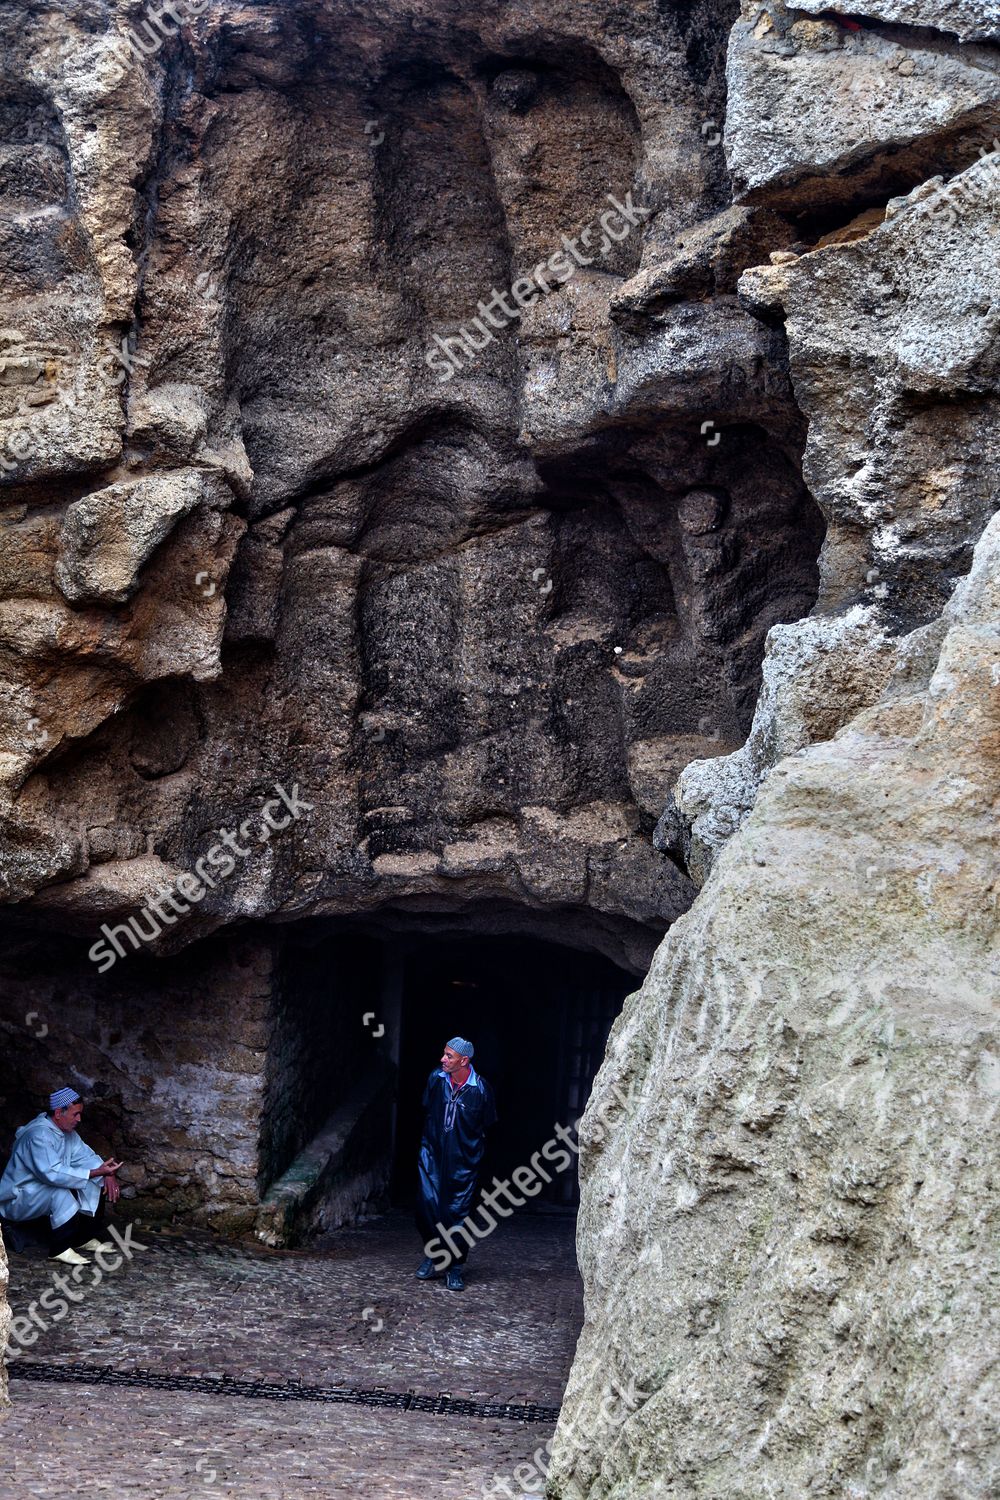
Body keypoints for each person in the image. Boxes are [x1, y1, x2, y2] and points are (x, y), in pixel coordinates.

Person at [0, 1088, 124, 1265]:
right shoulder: (37, 1135)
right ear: (58, 1113)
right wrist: (96, 1172)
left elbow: (86, 1157)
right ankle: (60, 1249)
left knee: (96, 1181)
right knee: (60, 1193)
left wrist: (107, 1174)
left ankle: (83, 1238)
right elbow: (52, 1173)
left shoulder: (68, 1134)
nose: (79, 1119)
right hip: (18, 1197)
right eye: (76, 1114)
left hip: (37, 1192)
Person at [415, 1036, 496, 1292]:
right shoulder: (436, 1080)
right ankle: (434, 1254)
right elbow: (428, 1110)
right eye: (444, 1054)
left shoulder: (481, 1089)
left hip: (463, 1162)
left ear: (464, 1060)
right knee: (427, 1206)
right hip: (432, 1155)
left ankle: (455, 1267)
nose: (443, 1059)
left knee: (457, 1215)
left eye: (449, 1056)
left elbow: (487, 1125)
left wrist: (472, 1155)